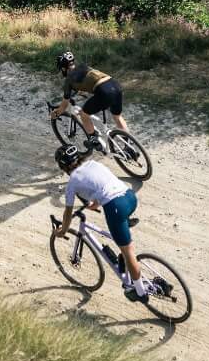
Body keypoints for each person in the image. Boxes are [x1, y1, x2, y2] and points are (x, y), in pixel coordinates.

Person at [51, 142, 155, 302]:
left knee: (129, 253)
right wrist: (96, 204)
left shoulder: (72, 182)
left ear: (63, 166)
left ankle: (140, 292)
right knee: (121, 237)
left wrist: (63, 231)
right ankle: (125, 259)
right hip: (129, 197)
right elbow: (103, 185)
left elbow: (68, 212)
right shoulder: (93, 164)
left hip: (115, 207)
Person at [54, 50, 130, 150]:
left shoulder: (69, 80)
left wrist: (56, 113)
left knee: (84, 114)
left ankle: (94, 140)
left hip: (104, 91)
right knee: (117, 117)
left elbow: (64, 105)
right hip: (115, 85)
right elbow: (89, 80)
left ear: (63, 68)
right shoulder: (83, 66)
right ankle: (129, 145)